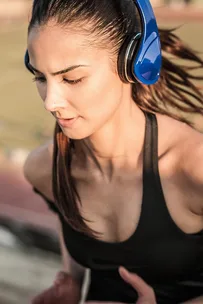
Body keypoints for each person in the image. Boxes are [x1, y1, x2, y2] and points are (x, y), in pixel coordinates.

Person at [23, 0, 203, 303]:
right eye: (41, 78)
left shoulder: (193, 166)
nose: (50, 102)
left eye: (72, 79)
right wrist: (72, 282)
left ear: (134, 63)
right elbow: (75, 237)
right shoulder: (43, 169)